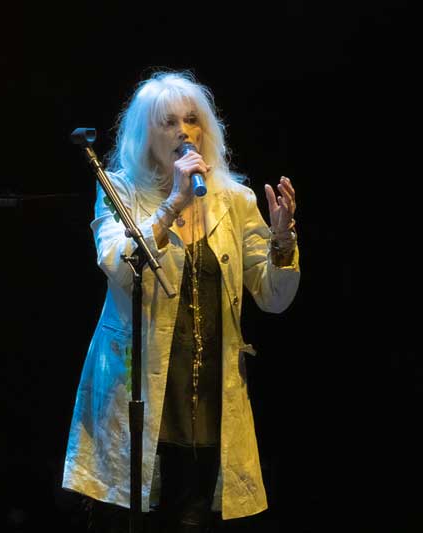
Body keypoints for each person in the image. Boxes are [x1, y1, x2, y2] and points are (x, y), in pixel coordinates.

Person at [62, 71, 300, 532]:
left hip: (207, 398)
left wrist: (283, 241)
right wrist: (172, 203)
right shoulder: (119, 190)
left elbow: (273, 297)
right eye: (168, 122)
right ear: (144, 135)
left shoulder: (235, 200)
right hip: (137, 390)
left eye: (191, 120)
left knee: (191, 518)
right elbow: (118, 264)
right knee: (126, 516)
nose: (184, 132)